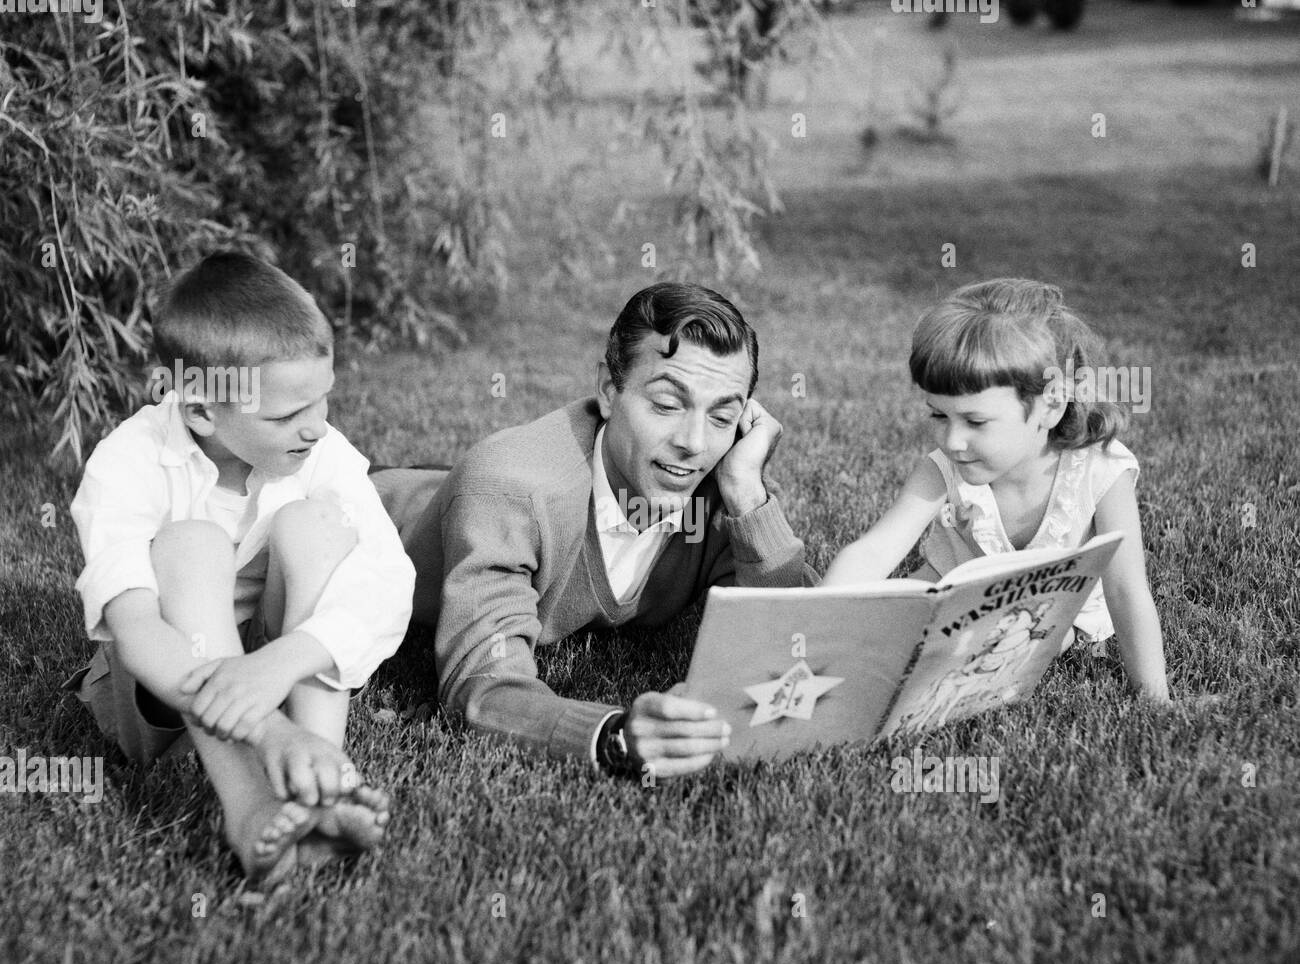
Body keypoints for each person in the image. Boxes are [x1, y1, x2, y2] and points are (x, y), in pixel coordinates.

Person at [371, 282, 817, 780]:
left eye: (721, 415)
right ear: (608, 390)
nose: (693, 443)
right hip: (373, 517)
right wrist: (613, 737)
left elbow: (793, 635)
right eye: (667, 404)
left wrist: (747, 493)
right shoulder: (507, 492)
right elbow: (481, 685)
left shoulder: (725, 482)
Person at [66, 252, 415, 884]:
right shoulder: (127, 462)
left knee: (319, 527)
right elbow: (139, 632)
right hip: (165, 706)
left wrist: (278, 664)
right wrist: (266, 728)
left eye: (323, 402)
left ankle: (318, 787)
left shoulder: (322, 451)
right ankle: (249, 803)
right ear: (201, 410)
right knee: (192, 543)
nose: (315, 430)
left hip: (270, 674)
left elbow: (388, 581)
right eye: (285, 416)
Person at [823, 278, 1169, 701]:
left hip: (1058, 612)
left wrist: (1156, 701)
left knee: (1029, 639)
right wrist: (820, 623)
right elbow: (875, 551)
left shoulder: (1100, 469)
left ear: (1051, 406)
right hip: (953, 595)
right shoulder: (942, 468)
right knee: (893, 616)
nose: (951, 441)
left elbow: (1125, 588)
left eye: (975, 422)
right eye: (938, 415)